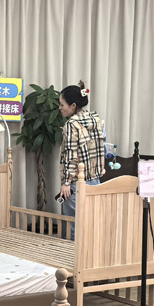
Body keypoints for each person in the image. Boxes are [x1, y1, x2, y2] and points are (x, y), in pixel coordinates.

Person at [58, 81, 105, 238]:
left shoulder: (71, 124)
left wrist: (66, 182)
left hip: (76, 182)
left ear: (73, 106)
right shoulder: (95, 119)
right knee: (91, 223)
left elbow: (71, 155)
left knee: (73, 226)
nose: (60, 108)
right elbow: (100, 146)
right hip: (95, 180)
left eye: (62, 105)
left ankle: (71, 253)